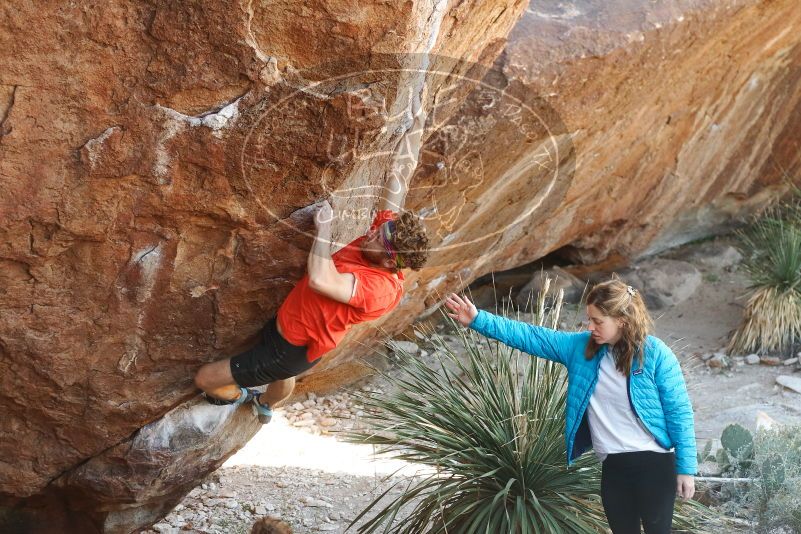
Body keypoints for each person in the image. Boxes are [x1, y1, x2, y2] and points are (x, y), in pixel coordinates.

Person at [194, 104, 430, 424]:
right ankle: (268, 403)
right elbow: (400, 173)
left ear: (391, 259)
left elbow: (321, 278)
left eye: (379, 235)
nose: (373, 230)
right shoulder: (386, 240)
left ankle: (246, 396)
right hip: (290, 331)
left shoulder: (381, 289)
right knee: (281, 375)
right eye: (382, 226)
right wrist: (415, 124)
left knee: (207, 380)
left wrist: (326, 229)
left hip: (291, 350)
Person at [443, 278, 697, 534]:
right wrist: (478, 319)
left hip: (654, 463)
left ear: (622, 320)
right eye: (590, 319)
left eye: (598, 321)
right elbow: (532, 337)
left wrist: (686, 469)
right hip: (613, 466)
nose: (591, 326)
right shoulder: (581, 348)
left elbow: (679, 412)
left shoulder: (656, 354)